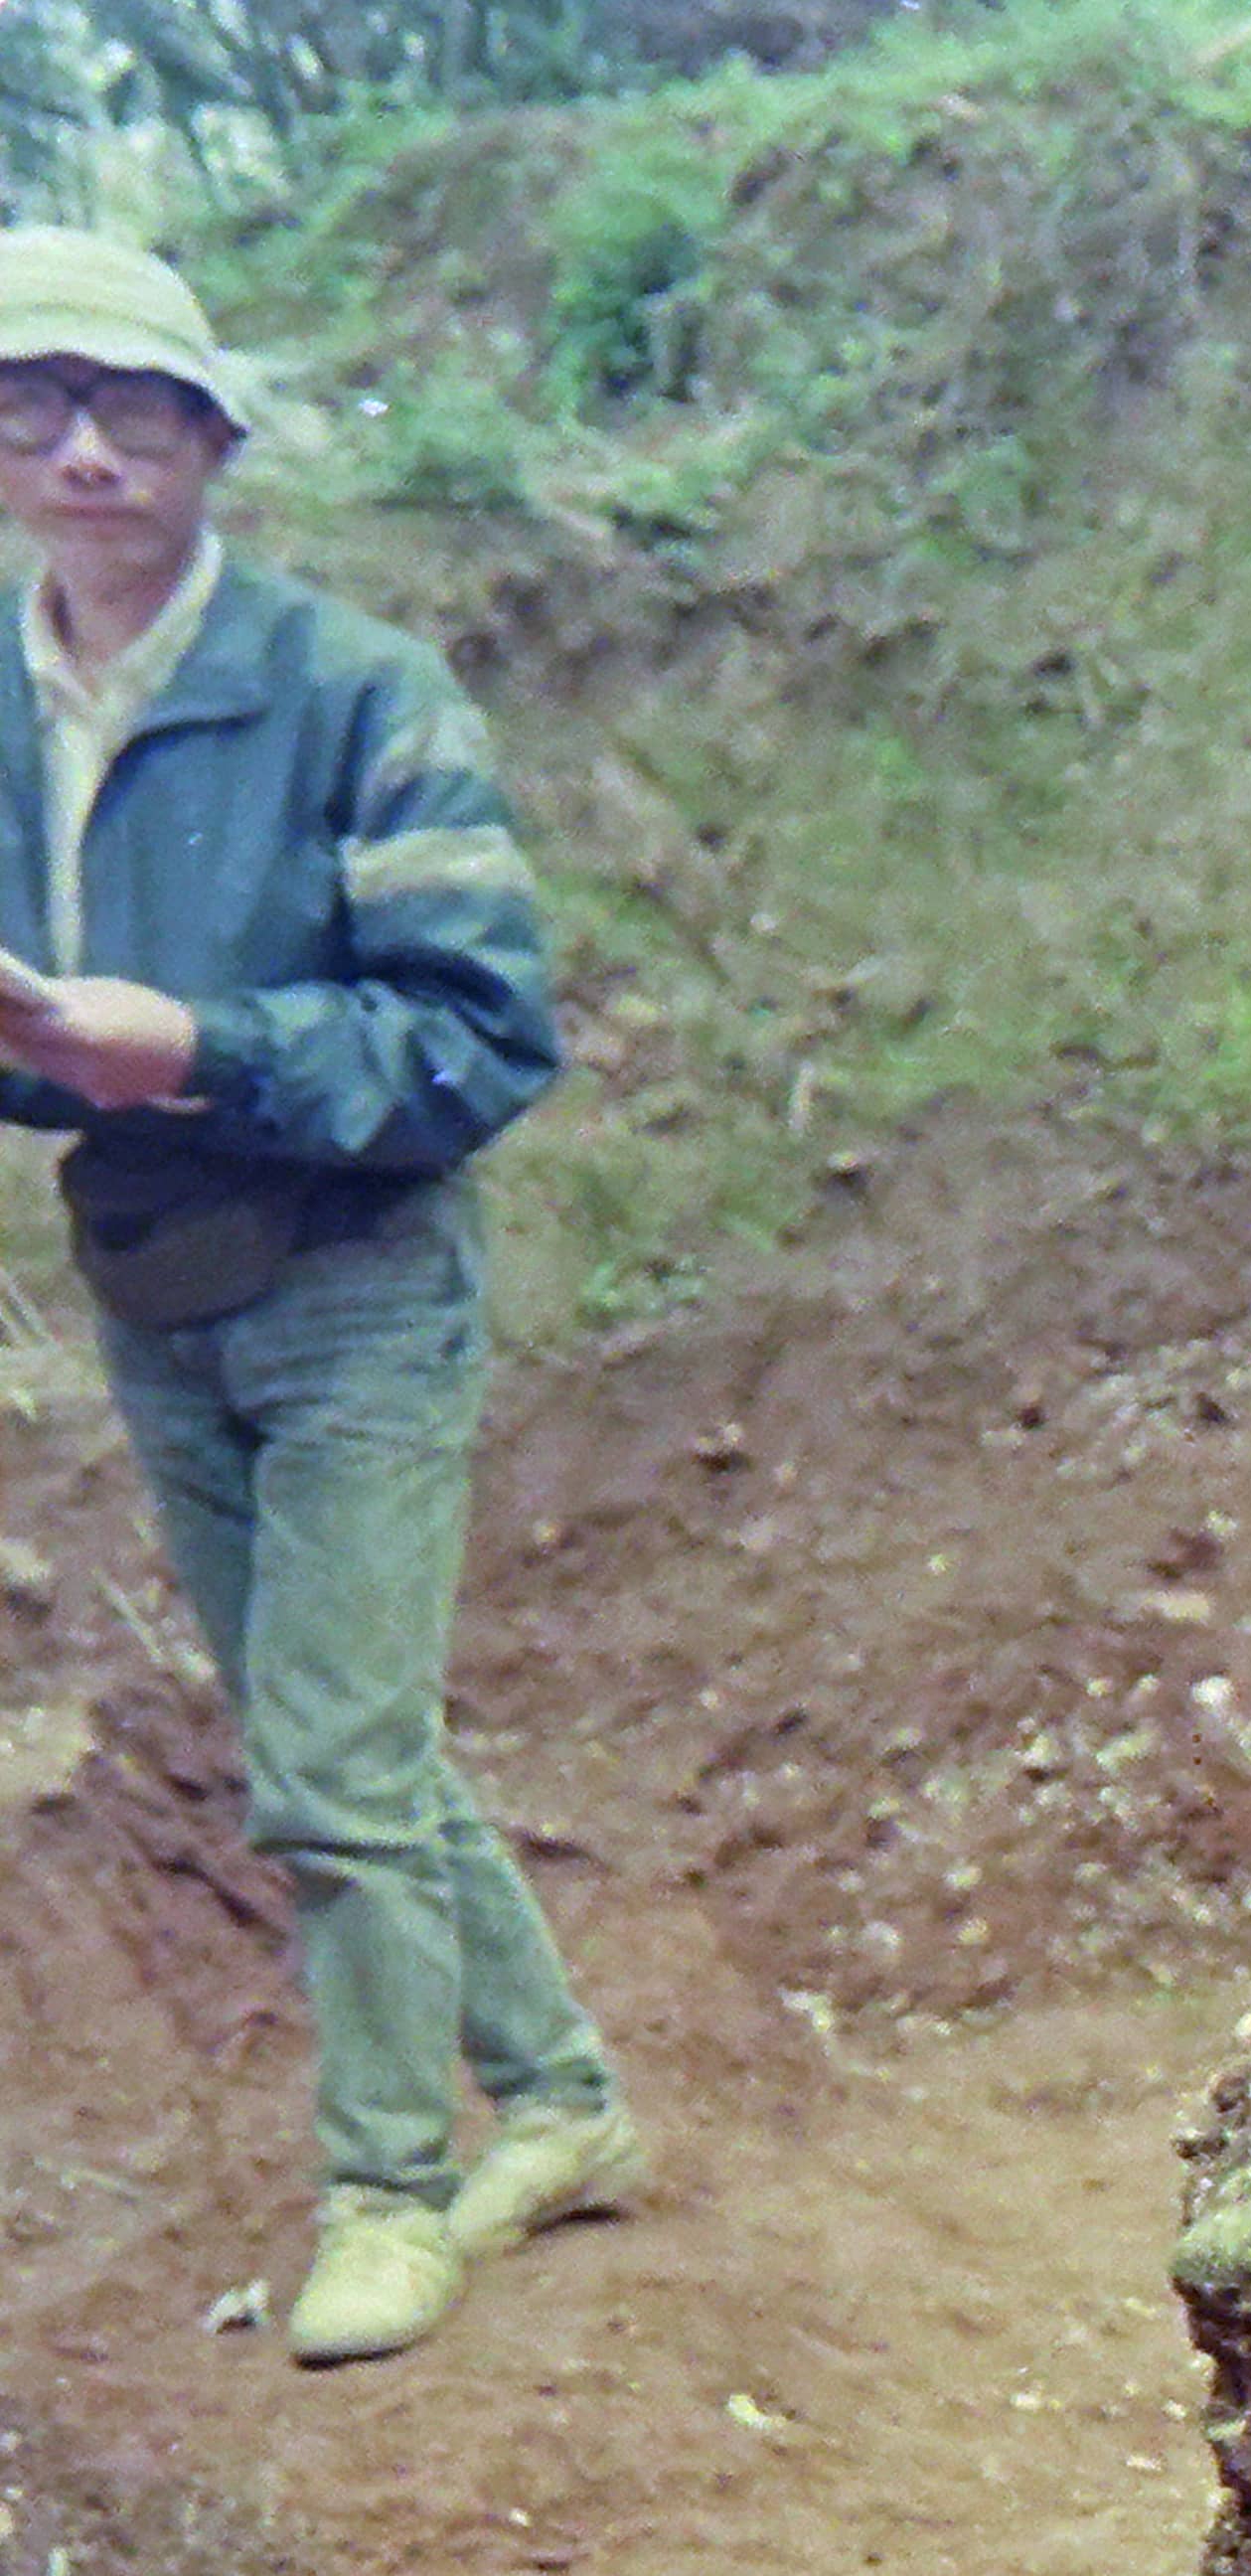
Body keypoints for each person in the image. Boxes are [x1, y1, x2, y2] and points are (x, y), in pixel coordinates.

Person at [4, 230, 635, 2364]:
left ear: (212, 440)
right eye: (35, 405)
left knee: (330, 1772)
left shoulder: (357, 690)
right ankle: (561, 2100)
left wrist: (189, 1044)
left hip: (355, 1282)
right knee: (341, 1737)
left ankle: (389, 2185)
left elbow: (482, 1039)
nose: (84, 450)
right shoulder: (7, 703)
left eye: (135, 409)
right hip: (149, 1281)